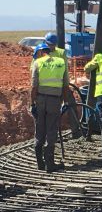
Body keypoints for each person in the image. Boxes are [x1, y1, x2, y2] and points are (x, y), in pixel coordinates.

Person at [30, 43, 70, 172]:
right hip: (55, 100)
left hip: (41, 99)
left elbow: (34, 86)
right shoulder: (61, 62)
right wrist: (65, 102)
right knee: (51, 129)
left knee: (40, 128)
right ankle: (50, 164)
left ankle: (40, 164)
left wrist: (32, 104)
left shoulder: (38, 63)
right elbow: (65, 86)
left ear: (41, 52)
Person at [43, 32, 82, 139]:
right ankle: (52, 135)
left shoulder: (60, 52)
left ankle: (75, 130)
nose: (51, 46)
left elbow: (65, 70)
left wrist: (66, 85)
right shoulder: (40, 52)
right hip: (48, 89)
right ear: (45, 42)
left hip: (60, 86)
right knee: (52, 111)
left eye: (53, 44)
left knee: (71, 105)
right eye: (49, 44)